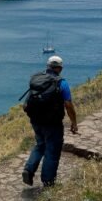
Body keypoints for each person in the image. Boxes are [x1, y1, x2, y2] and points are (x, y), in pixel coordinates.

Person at [22, 55, 78, 187]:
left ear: (48, 66)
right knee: (52, 150)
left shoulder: (37, 79)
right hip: (53, 123)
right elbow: (68, 105)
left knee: (40, 144)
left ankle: (28, 170)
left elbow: (26, 103)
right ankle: (48, 181)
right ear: (60, 68)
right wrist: (74, 122)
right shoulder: (61, 83)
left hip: (36, 121)